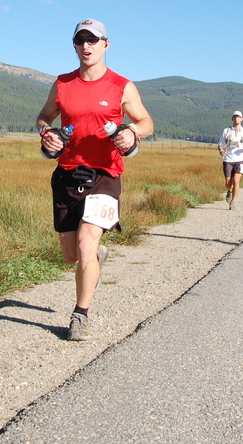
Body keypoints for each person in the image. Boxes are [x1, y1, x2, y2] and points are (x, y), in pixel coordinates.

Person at [36, 19, 154, 342]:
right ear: (74, 45)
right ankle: (94, 260)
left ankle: (80, 316)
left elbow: (146, 122)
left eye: (93, 40)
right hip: (66, 174)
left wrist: (131, 133)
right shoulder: (62, 84)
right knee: (72, 255)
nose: (86, 47)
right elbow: (43, 117)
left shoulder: (121, 86)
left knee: (87, 245)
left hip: (105, 175)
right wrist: (47, 133)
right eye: (80, 41)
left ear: (106, 44)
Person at [218, 111, 243, 210]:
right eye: (235, 117)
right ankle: (229, 190)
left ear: (242, 119)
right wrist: (221, 151)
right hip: (228, 159)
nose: (237, 119)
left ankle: (233, 202)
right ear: (232, 119)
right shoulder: (227, 131)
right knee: (229, 183)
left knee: (236, 180)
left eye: (239, 117)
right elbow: (220, 144)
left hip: (240, 159)